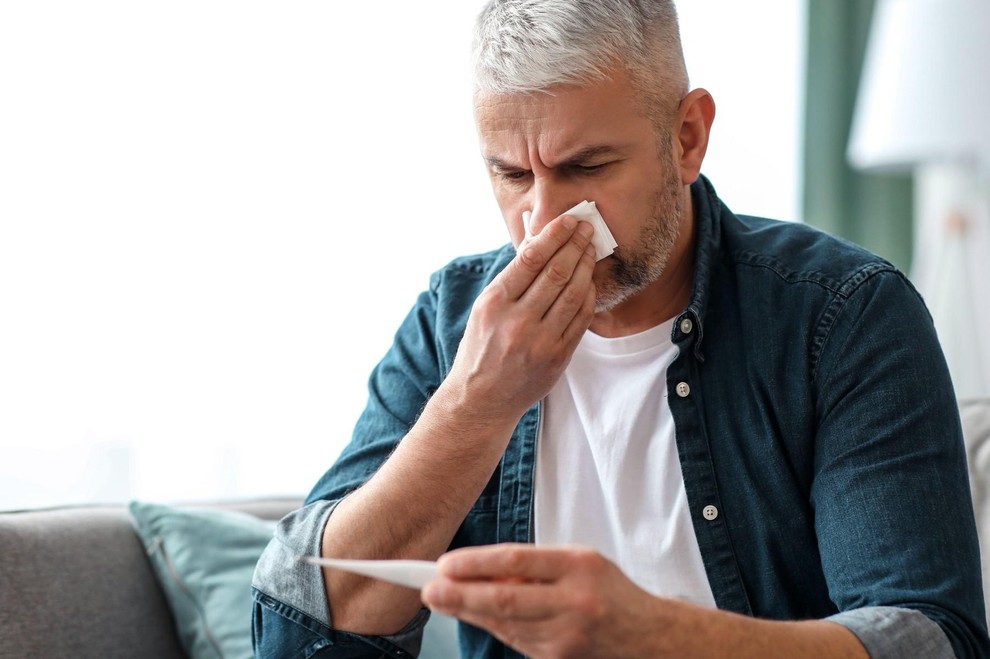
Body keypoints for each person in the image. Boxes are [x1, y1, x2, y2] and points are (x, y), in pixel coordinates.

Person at [252, 1, 989, 657]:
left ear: (688, 137)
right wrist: (476, 402)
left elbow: (928, 637)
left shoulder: (842, 316)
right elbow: (302, 630)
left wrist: (653, 635)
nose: (542, 222)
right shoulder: (453, 324)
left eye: (586, 167)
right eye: (512, 175)